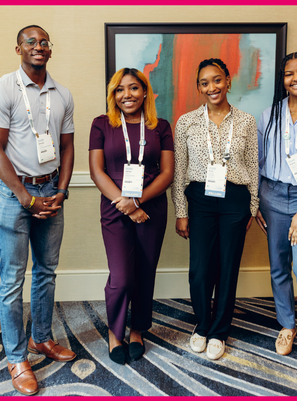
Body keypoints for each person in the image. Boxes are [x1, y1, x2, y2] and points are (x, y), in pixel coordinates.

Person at [0, 25, 76, 395]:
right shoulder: (2, 88)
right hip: (13, 193)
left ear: (50, 50)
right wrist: (25, 197)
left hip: (51, 189)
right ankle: (16, 357)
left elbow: (67, 148)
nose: (38, 46)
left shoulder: (62, 94)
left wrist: (62, 191)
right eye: (31, 42)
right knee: (12, 280)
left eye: (44, 42)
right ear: (18, 48)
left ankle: (42, 338)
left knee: (47, 270)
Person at [172, 58, 259, 360]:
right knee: (199, 270)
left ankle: (219, 331)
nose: (212, 87)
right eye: (205, 82)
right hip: (200, 199)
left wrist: (252, 205)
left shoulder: (247, 121)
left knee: (227, 267)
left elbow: (253, 166)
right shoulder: (186, 122)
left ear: (228, 81)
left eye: (217, 80)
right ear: (198, 87)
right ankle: (202, 324)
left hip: (235, 199)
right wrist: (181, 211)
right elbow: (179, 171)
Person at [89, 68, 174, 365]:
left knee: (145, 272)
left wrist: (137, 201)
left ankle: (137, 330)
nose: (128, 95)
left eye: (134, 88)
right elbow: (96, 171)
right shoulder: (102, 125)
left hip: (151, 207)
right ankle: (115, 333)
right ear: (113, 94)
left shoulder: (160, 126)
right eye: (120, 89)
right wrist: (124, 203)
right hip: (114, 208)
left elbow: (167, 173)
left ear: (145, 92)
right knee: (122, 277)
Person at [256, 52, 297, 367]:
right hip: (272, 196)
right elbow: (258, 160)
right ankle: (287, 325)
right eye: (289, 74)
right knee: (279, 266)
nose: (296, 78)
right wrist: (255, 200)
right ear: (281, 80)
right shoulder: (270, 114)